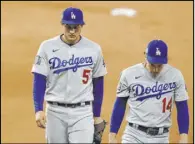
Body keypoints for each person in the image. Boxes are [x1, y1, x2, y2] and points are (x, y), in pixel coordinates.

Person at [31, 7, 107, 143]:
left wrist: (96, 115)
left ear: (81, 26)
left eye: (76, 27)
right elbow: (39, 79)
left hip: (82, 113)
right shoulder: (47, 47)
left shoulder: (94, 49)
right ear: (62, 25)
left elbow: (98, 84)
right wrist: (38, 110)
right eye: (68, 27)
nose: (72, 31)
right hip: (54, 112)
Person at [109, 39, 189, 143]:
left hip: (161, 137)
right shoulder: (129, 74)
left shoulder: (175, 75)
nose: (156, 69)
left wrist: (184, 137)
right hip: (134, 135)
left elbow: (182, 107)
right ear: (145, 56)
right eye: (152, 64)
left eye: (159, 65)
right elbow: (120, 103)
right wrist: (112, 135)